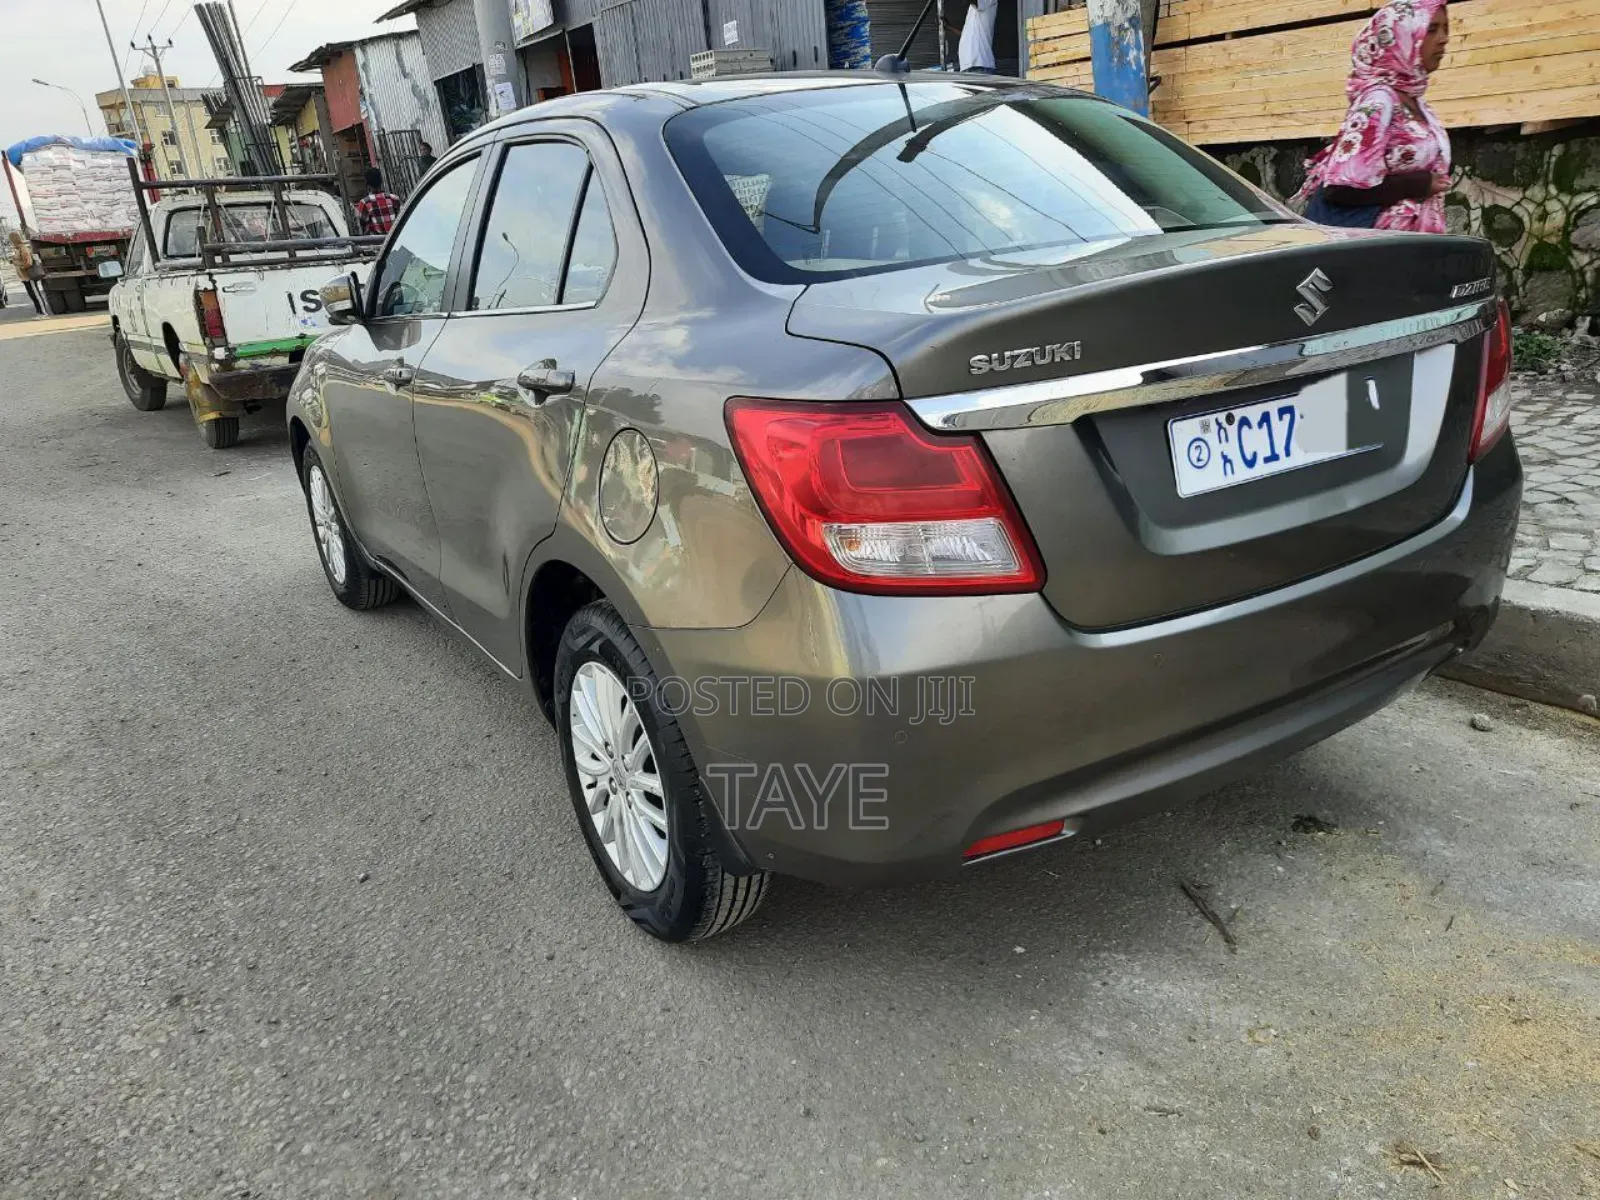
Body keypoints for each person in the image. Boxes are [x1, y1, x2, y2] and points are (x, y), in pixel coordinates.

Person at [1292, 0, 1453, 232]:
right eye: (1431, 30)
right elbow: (1340, 189)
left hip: (1413, 245)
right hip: (1378, 247)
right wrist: (1417, 184)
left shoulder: (1415, 101)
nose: (1443, 39)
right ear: (1401, 35)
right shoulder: (1378, 100)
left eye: (1446, 29)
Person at [8, 230, 48, 318]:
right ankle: (39, 313)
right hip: (24, 277)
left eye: (11, 239)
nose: (10, 242)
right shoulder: (17, 249)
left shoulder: (23, 249)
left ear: (14, 239)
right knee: (32, 295)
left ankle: (43, 313)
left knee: (36, 294)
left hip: (29, 276)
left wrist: (17, 264)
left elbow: (28, 263)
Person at [354, 168, 402, 237]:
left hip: (376, 240)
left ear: (367, 183)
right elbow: (400, 219)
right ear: (381, 181)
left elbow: (363, 226)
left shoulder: (364, 203)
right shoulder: (394, 198)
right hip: (395, 238)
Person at [954, 0, 999, 74]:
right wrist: (948, 27)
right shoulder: (972, 10)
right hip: (970, 65)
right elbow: (965, 35)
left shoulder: (988, 1)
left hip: (979, 65)